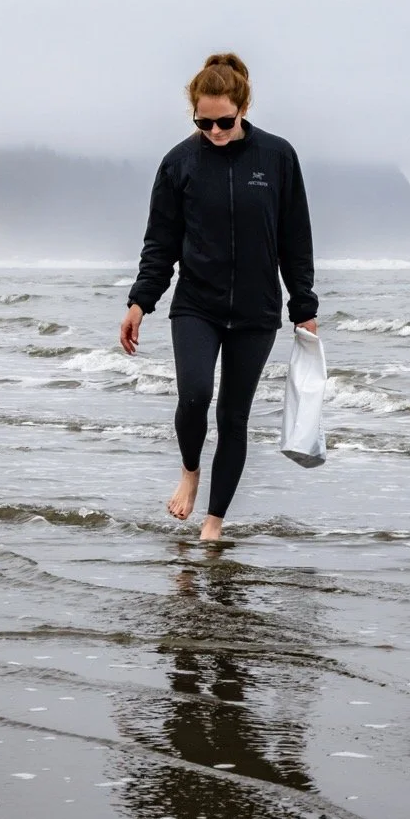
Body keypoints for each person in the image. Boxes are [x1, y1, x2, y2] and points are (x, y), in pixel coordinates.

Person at [120, 52, 318, 542]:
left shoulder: (277, 157)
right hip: (197, 305)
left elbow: (296, 238)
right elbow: (160, 242)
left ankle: (213, 524)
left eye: (224, 122)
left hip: (256, 311)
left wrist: (304, 308)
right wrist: (140, 301)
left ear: (244, 107)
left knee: (233, 417)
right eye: (203, 122)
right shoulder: (178, 163)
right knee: (194, 396)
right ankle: (190, 470)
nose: (214, 131)